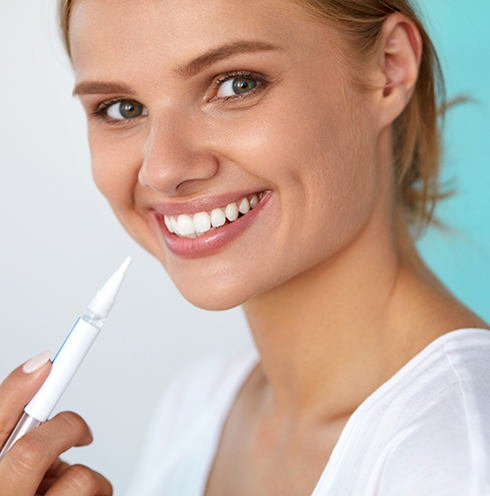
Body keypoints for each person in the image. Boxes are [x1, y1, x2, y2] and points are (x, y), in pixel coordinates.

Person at [0, 0, 489, 494]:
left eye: (237, 84)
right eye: (122, 109)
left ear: (390, 68)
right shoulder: (196, 409)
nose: (163, 170)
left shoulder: (461, 459)